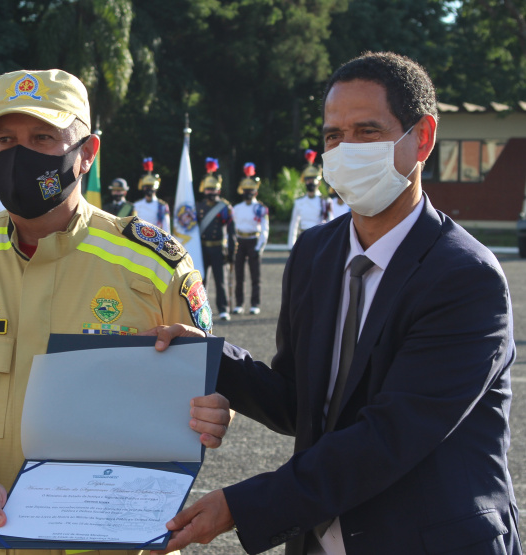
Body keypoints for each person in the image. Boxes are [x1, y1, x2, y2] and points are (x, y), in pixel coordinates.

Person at [151, 51, 520, 555]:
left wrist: (241, 505)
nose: (346, 150)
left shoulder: (463, 278)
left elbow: (389, 438)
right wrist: (212, 359)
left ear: (423, 138)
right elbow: (300, 401)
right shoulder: (316, 253)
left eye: (367, 132)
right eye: (333, 136)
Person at [0, 68, 229, 555]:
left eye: (43, 137)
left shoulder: (154, 265)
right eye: (4, 139)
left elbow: (207, 388)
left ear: (88, 152)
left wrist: (214, 411)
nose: (19, 153)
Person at [196, 158, 235, 321]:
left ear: (218, 190)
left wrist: (231, 252)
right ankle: (199, 311)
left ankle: (223, 309)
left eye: (213, 189)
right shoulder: (198, 207)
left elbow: (232, 231)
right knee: (200, 282)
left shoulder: (225, 207)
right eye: (208, 189)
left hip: (218, 248)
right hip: (202, 249)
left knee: (221, 281)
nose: (210, 192)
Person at [230, 163, 268, 315]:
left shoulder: (260, 208)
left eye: (251, 190)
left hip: (254, 240)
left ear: (255, 191)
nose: (248, 193)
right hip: (240, 241)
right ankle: (239, 303)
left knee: (255, 275)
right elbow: (232, 227)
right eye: (246, 190)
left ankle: (255, 303)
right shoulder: (236, 208)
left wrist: (260, 246)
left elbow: (265, 228)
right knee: (239, 275)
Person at [288, 150, 332, 249]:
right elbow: (294, 224)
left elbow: (331, 224)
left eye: (313, 180)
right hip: (304, 239)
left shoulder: (325, 201)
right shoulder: (299, 202)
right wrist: (291, 246)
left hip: (320, 239)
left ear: (319, 182)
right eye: (308, 180)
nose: (310, 182)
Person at [133, 158, 171, 231]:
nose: (149, 189)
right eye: (147, 187)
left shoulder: (162, 206)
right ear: (143, 188)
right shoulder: (137, 205)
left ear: (155, 188)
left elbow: (166, 227)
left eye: (151, 187)